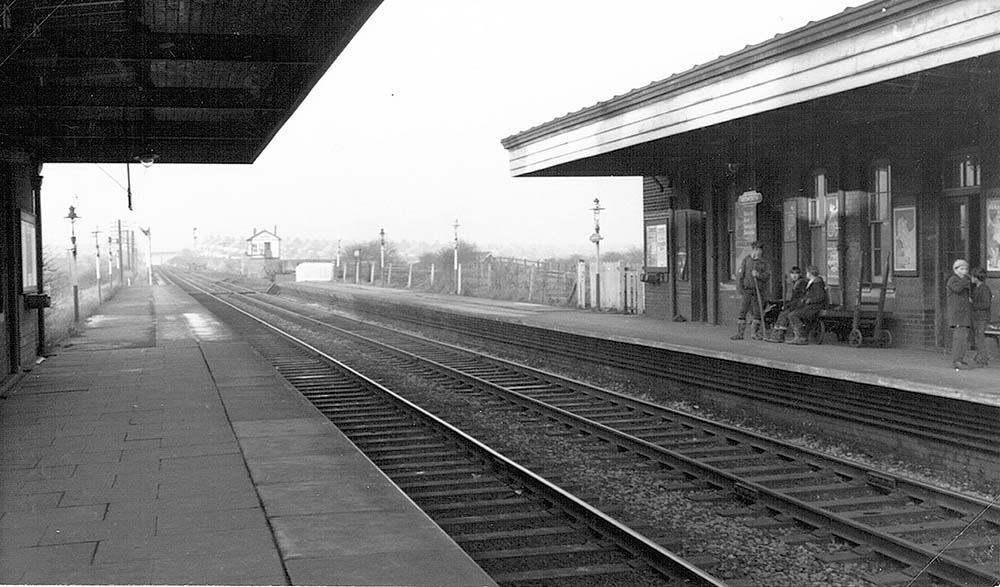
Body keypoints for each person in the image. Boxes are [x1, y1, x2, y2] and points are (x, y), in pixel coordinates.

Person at [731, 241, 771, 341]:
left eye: (760, 250)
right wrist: (740, 289)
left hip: (759, 290)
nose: (758, 252)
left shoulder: (764, 263)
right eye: (756, 249)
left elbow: (767, 275)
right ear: (753, 250)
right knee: (743, 310)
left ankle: (755, 333)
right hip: (747, 290)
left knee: (758, 311)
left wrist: (758, 275)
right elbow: (741, 275)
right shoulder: (746, 260)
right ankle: (740, 333)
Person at [785, 265, 828, 345]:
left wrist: (809, 300)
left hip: (814, 307)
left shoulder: (816, 283)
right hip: (812, 306)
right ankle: (801, 335)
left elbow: (821, 296)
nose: (806, 274)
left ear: (810, 273)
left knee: (792, 315)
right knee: (795, 312)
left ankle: (800, 337)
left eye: (807, 272)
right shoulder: (813, 282)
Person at [766, 266, 807, 343]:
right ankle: (777, 333)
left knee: (785, 314)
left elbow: (799, 298)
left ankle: (780, 335)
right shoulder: (793, 283)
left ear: (799, 274)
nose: (794, 275)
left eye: (796, 273)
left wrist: (788, 305)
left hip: (799, 305)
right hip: (794, 304)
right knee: (782, 313)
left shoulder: (801, 283)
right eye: (792, 273)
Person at [947, 259, 974, 370]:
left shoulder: (964, 281)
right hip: (957, 314)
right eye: (961, 269)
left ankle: (961, 359)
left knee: (963, 339)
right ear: (955, 270)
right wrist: (966, 280)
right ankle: (956, 360)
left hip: (964, 314)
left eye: (966, 269)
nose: (964, 271)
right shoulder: (953, 280)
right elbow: (957, 289)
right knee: (959, 339)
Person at [970, 266, 993, 367]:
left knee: (980, 337)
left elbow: (986, 304)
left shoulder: (984, 289)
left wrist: (973, 303)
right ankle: (980, 357)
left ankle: (982, 359)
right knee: (978, 337)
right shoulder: (978, 288)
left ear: (976, 277)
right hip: (978, 317)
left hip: (982, 317)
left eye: (972, 276)